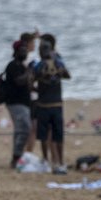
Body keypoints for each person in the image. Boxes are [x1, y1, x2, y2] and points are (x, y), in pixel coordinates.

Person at [31, 34, 70, 173]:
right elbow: (67, 75)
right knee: (58, 135)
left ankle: (47, 160)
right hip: (56, 104)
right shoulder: (58, 63)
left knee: (44, 135)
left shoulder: (40, 65)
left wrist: (40, 87)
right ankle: (60, 161)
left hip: (44, 104)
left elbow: (31, 80)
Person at [2, 41, 32, 169]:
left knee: (20, 130)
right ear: (16, 52)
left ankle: (17, 156)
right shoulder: (13, 66)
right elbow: (19, 81)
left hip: (24, 103)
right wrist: (29, 72)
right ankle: (16, 157)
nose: (25, 53)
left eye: (26, 50)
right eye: (22, 50)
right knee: (24, 129)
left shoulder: (22, 66)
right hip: (15, 103)